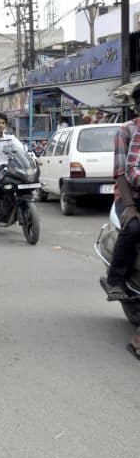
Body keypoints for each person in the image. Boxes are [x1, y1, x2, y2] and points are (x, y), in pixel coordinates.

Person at [103, 88, 140, 359]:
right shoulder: (126, 132)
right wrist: (129, 206)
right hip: (129, 196)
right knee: (134, 227)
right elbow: (120, 173)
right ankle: (115, 280)